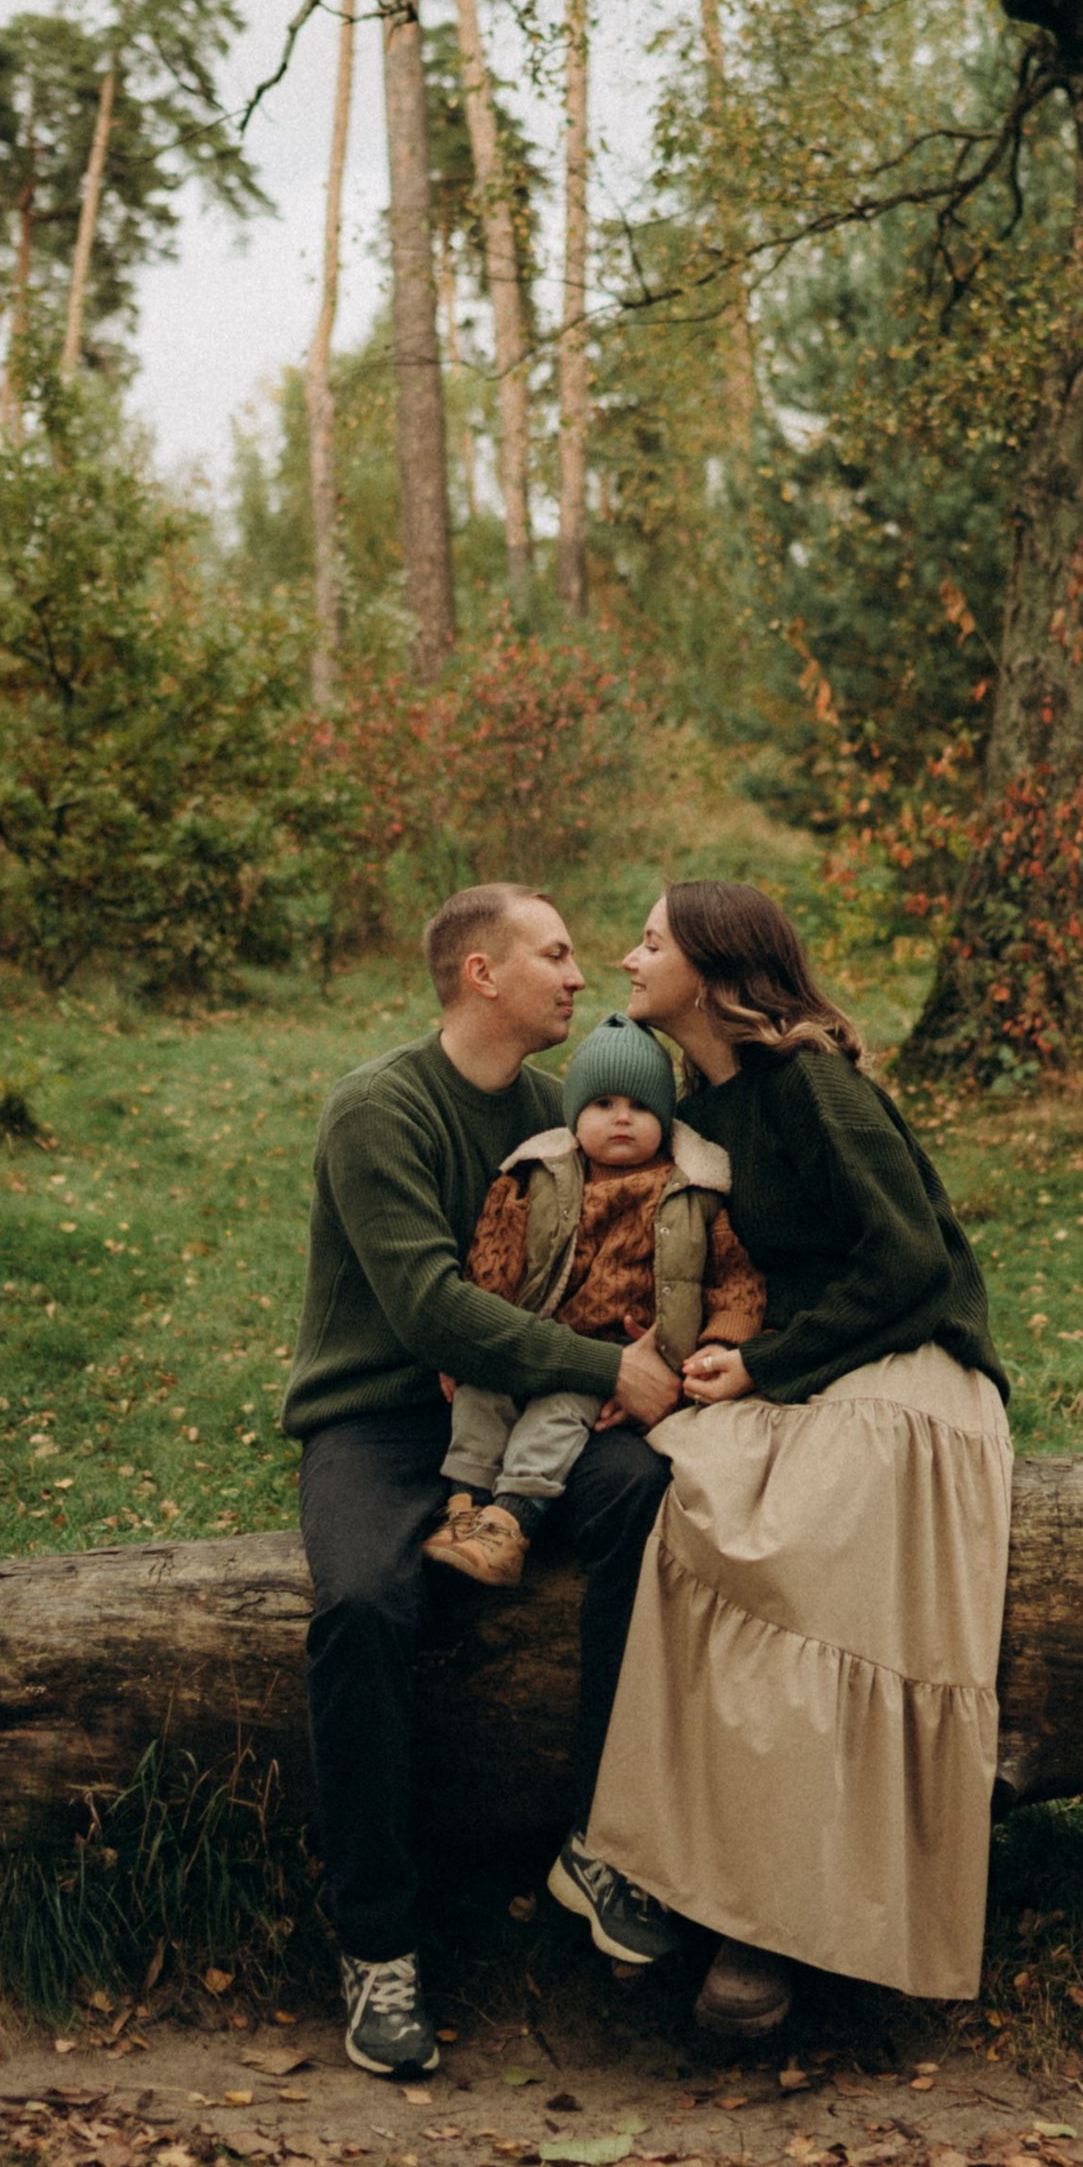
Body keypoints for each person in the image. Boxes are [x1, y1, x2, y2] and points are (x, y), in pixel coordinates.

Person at [582, 880, 1013, 2042]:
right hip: (798, 1365)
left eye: (652, 939)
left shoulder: (815, 1084)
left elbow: (911, 1260)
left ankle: (766, 1927)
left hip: (909, 1369)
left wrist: (770, 1364)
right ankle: (670, 1869)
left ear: (716, 971)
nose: (628, 956)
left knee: (789, 1553)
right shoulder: (699, 1105)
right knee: (690, 1497)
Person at [281, 883, 690, 2082]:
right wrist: (601, 1362)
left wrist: (631, 1362)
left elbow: (622, 1247)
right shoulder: (378, 1109)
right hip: (382, 1416)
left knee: (649, 1503)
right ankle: (378, 1942)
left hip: (535, 1416)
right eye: (556, 956)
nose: (581, 976)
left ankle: (599, 1843)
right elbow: (427, 1309)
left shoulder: (565, 1110)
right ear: (482, 975)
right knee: (362, 1606)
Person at [427, 1005, 763, 1590]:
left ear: (664, 1117)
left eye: (639, 1107)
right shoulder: (538, 1174)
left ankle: (511, 1521)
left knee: (556, 1416)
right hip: (529, 1336)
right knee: (481, 1394)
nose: (622, 1119)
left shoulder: (694, 1191)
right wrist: (468, 1345)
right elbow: (494, 1259)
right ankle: (465, 1505)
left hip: (612, 1357)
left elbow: (736, 1278)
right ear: (574, 1114)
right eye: (603, 1105)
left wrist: (718, 1343)